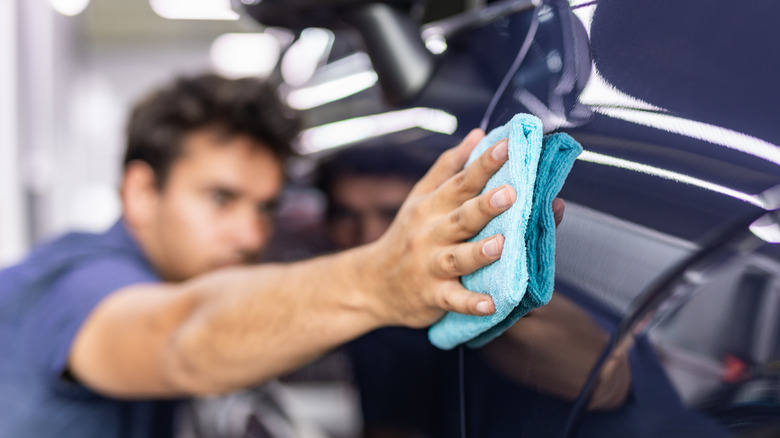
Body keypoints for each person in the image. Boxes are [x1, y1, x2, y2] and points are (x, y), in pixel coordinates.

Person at [0, 73, 518, 437]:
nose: (250, 235)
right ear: (140, 191)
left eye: (265, 207)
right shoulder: (76, 286)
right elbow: (178, 337)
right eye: (220, 198)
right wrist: (378, 281)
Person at [316, 140, 726, 438]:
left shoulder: (484, 295)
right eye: (347, 216)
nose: (368, 235)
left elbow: (603, 383)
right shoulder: (385, 322)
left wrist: (497, 290)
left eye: (391, 214)